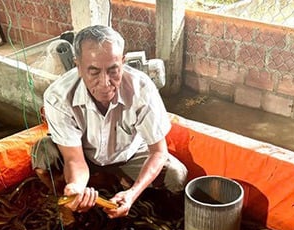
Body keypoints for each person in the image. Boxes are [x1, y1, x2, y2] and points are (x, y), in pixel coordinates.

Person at [31, 25, 188, 219]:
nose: (105, 83)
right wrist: (76, 186)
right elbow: (74, 160)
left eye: (113, 70)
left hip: (129, 154)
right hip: (85, 156)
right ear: (78, 66)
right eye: (94, 72)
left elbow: (158, 151)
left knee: (176, 175)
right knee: (45, 153)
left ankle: (138, 194)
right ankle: (67, 201)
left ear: (123, 62)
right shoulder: (58, 96)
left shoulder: (142, 88)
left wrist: (132, 195)